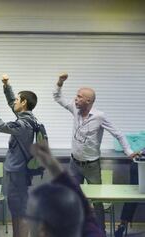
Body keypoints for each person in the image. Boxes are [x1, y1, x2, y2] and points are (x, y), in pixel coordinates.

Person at [53, 73, 137, 233]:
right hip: (74, 163)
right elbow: (57, 97)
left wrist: (129, 152)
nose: (75, 99)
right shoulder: (74, 109)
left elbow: (118, 133)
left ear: (88, 101)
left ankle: (100, 232)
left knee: (97, 201)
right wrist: (60, 82)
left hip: (91, 166)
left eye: (79, 97)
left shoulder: (99, 117)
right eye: (76, 96)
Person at [0, 74, 38, 237]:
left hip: (18, 173)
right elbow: (11, 102)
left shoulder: (23, 124)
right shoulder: (26, 118)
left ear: (24, 103)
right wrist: (7, 86)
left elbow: (0, 126)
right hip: (17, 172)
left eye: (17, 99)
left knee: (20, 211)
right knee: (15, 210)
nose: (14, 101)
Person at [27, 142, 105, 237]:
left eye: (29, 218)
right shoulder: (91, 232)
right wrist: (52, 164)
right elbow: (85, 211)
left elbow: (85, 210)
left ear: (42, 231)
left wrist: (51, 164)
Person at [114, 148, 145, 237]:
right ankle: (122, 225)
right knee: (133, 195)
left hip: (138, 164)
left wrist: (138, 153)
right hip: (139, 165)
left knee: (133, 196)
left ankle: (122, 225)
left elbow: (138, 153)